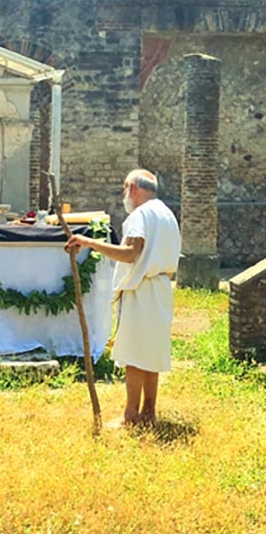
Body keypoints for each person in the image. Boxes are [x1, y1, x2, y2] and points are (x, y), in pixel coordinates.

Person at [65, 169, 181, 425]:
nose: (123, 195)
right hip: (161, 287)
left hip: (141, 288)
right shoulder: (166, 213)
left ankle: (130, 416)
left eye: (124, 189)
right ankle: (148, 413)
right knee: (151, 354)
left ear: (132, 188)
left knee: (134, 355)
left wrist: (90, 243)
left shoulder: (141, 214)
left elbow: (130, 253)